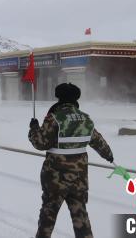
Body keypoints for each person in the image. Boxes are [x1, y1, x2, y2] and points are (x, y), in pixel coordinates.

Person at [28, 83, 114, 238]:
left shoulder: (55, 118)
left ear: (59, 97)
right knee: (80, 216)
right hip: (79, 179)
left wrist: (34, 128)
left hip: (55, 179)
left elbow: (40, 143)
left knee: (48, 215)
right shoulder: (86, 119)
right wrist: (109, 156)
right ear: (76, 98)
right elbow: (99, 142)